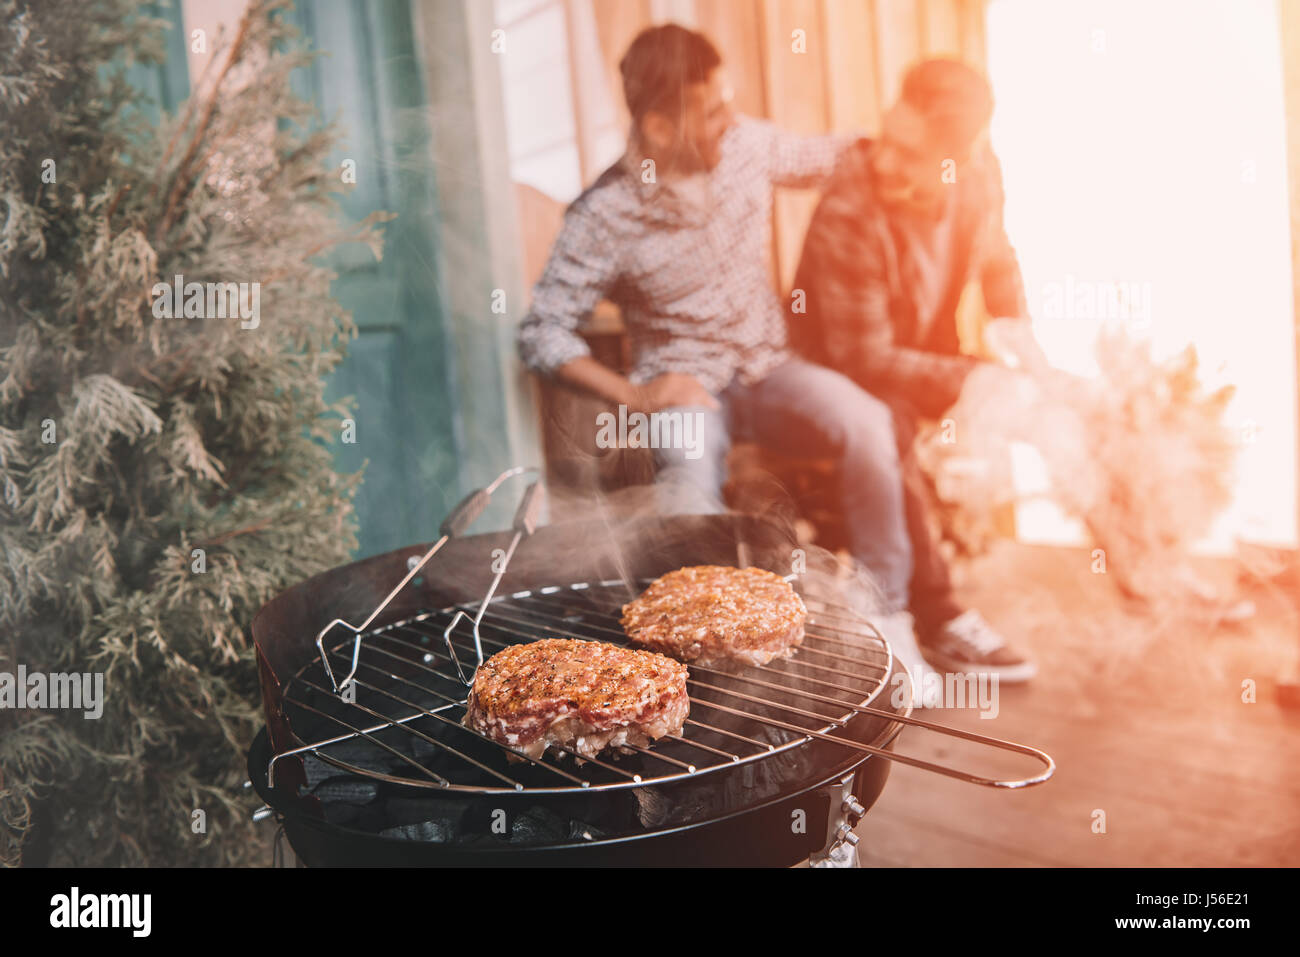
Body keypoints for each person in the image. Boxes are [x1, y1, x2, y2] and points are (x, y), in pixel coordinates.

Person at [517, 24, 920, 664]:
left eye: (726, 100)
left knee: (869, 424)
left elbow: (830, 156)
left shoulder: (747, 146)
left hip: (770, 368)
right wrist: (633, 393)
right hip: (686, 389)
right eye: (710, 111)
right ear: (657, 129)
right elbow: (541, 330)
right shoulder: (603, 215)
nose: (731, 121)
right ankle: (715, 652)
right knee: (686, 491)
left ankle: (890, 622)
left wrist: (897, 144)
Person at [790, 57, 1036, 682]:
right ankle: (936, 615)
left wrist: (1030, 360)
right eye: (889, 141)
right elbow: (862, 359)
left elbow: (1000, 264)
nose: (884, 163)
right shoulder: (850, 207)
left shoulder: (980, 175)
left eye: (909, 156)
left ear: (956, 159)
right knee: (887, 427)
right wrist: (971, 379)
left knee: (1059, 416)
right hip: (840, 374)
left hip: (925, 358)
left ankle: (1154, 574)